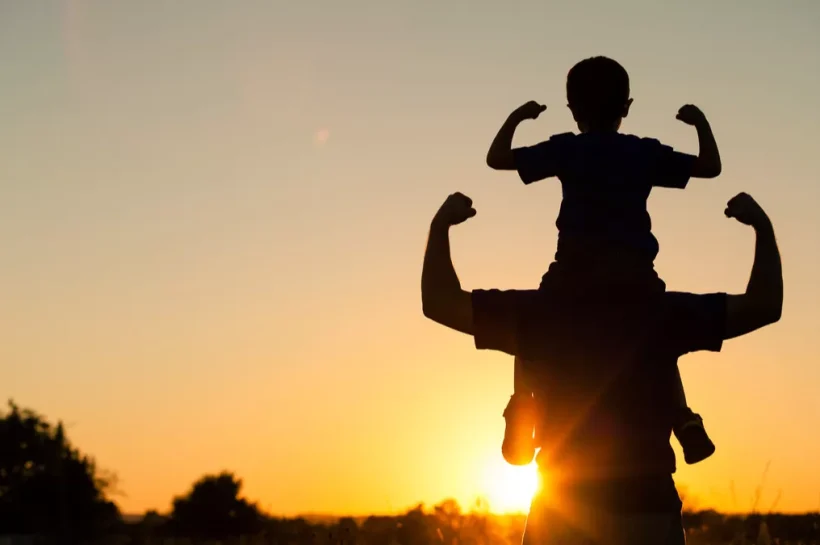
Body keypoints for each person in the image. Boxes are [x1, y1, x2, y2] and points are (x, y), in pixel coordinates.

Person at [421, 191, 782, 545]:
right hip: (648, 510)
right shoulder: (663, 313)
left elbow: (439, 302)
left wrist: (441, 226)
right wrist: (761, 227)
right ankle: (684, 419)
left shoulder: (539, 313)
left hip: (562, 512)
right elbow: (763, 305)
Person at [485, 56, 723, 464]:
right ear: (626, 107)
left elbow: (497, 158)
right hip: (634, 277)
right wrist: (700, 123)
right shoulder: (642, 152)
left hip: (572, 277)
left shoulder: (567, 148)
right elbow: (709, 167)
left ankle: (523, 405)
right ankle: (683, 417)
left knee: (527, 330)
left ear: (572, 109)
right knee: (659, 344)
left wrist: (519, 117)